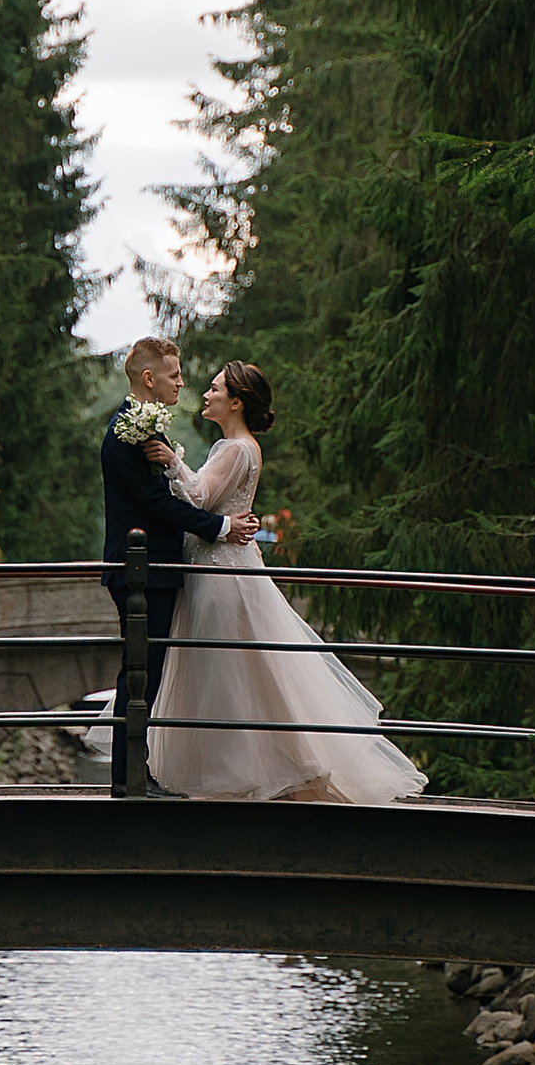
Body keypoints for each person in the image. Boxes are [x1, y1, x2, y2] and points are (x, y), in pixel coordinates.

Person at [149, 361, 427, 803]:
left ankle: (244, 774)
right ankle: (269, 767)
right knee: (248, 671)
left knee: (227, 671)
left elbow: (201, 497)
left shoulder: (235, 448)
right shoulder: (241, 447)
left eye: (215, 388)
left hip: (220, 572)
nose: (206, 393)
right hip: (223, 565)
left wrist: (172, 461)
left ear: (235, 402)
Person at [97, 334, 252, 794]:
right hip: (141, 571)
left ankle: (135, 774)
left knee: (148, 671)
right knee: (141, 671)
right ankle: (128, 781)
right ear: (149, 378)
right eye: (173, 375)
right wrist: (220, 528)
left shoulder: (143, 426)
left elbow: (165, 495)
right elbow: (156, 504)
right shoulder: (130, 430)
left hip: (156, 571)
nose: (182, 383)